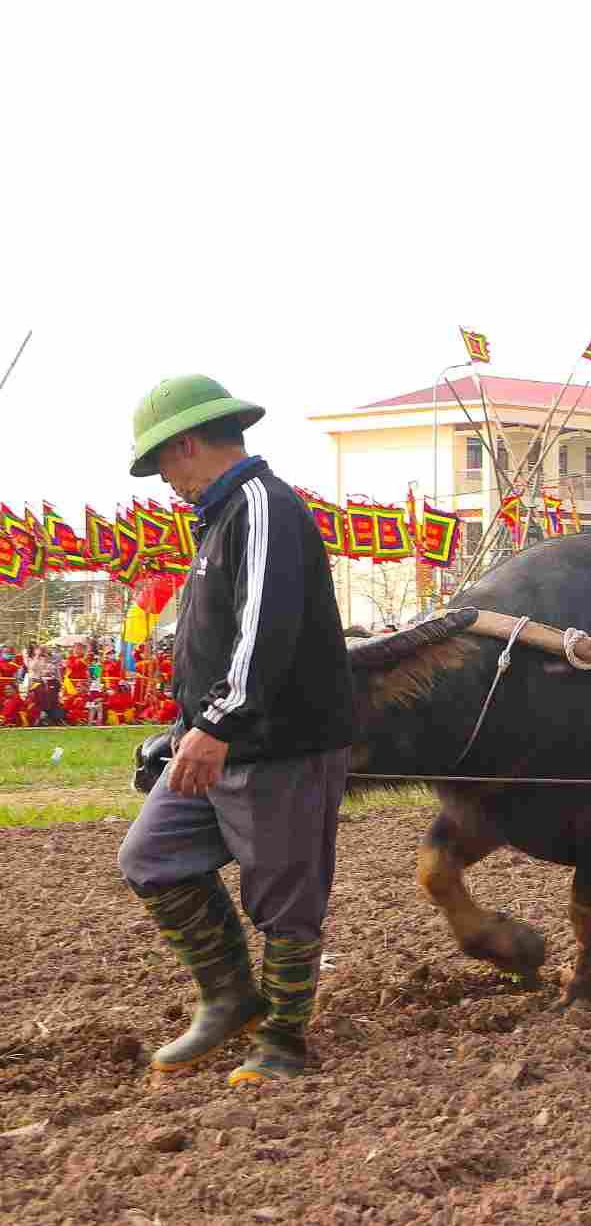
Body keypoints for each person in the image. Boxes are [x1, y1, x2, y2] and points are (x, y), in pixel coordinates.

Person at [115, 374, 352, 1085]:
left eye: (163, 464)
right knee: (150, 853)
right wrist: (187, 724)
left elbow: (265, 630)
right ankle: (229, 996)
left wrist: (216, 721)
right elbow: (219, 639)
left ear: (186, 445)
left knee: (285, 896)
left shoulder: (261, 505)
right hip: (219, 740)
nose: (166, 482)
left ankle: (284, 1038)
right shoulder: (219, 519)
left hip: (279, 744)